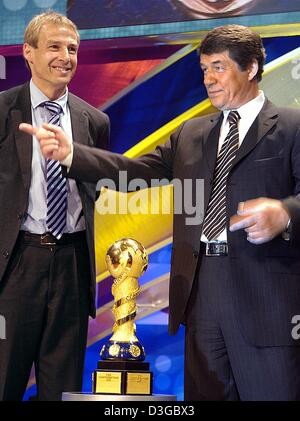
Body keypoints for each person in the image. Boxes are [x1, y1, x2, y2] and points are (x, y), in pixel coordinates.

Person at [21, 25, 300, 400]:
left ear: (250, 67)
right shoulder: (191, 134)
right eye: (203, 69)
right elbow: (132, 171)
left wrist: (285, 212)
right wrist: (72, 155)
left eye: (218, 67)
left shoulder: (291, 126)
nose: (208, 79)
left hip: (266, 299)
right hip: (201, 295)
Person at [0, 11, 109, 401]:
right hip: (14, 266)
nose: (66, 56)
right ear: (28, 52)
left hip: (72, 268)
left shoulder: (94, 121)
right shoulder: (3, 111)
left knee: (63, 389)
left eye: (73, 48)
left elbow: (95, 191)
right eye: (54, 47)